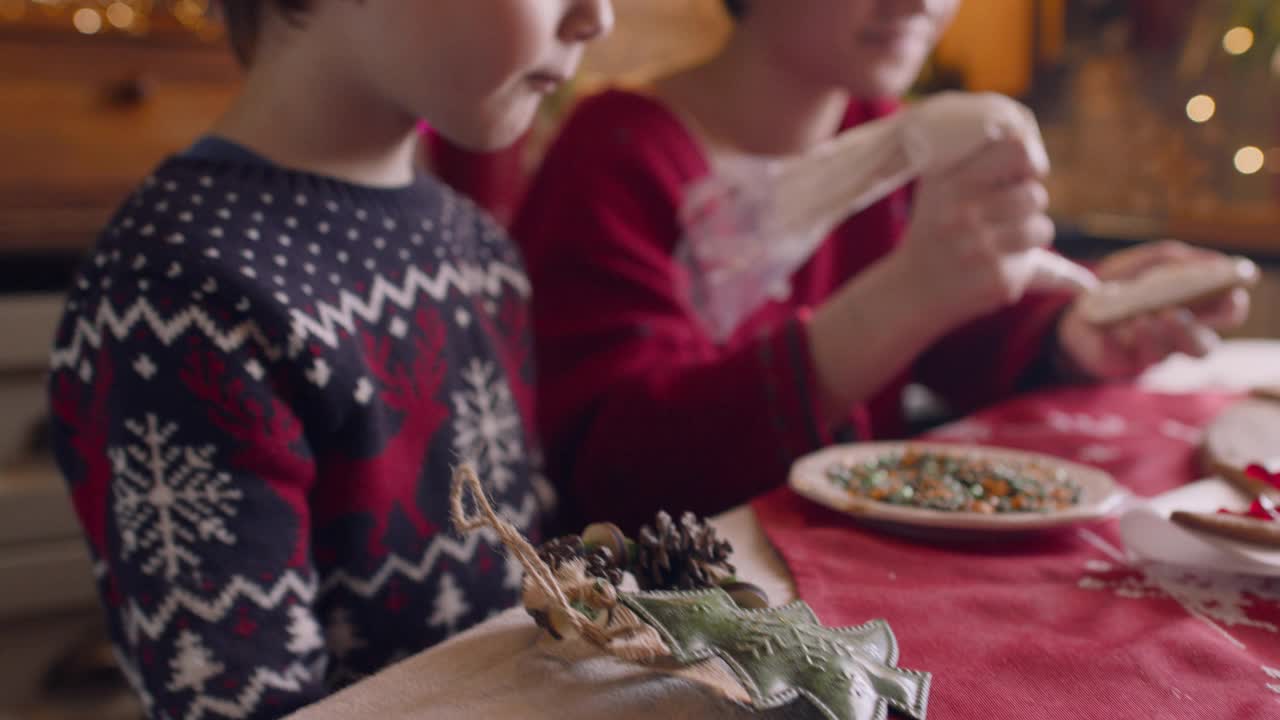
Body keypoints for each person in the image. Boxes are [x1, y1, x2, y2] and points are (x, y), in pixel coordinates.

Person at [46, 1, 612, 717]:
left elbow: (526, 579)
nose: (599, 19)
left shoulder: (478, 248)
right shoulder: (177, 296)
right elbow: (238, 700)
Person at [512, 0, 1249, 532]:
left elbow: (965, 332)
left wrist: (1075, 332)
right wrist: (904, 298)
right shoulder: (616, 156)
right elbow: (618, 468)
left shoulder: (889, 141)